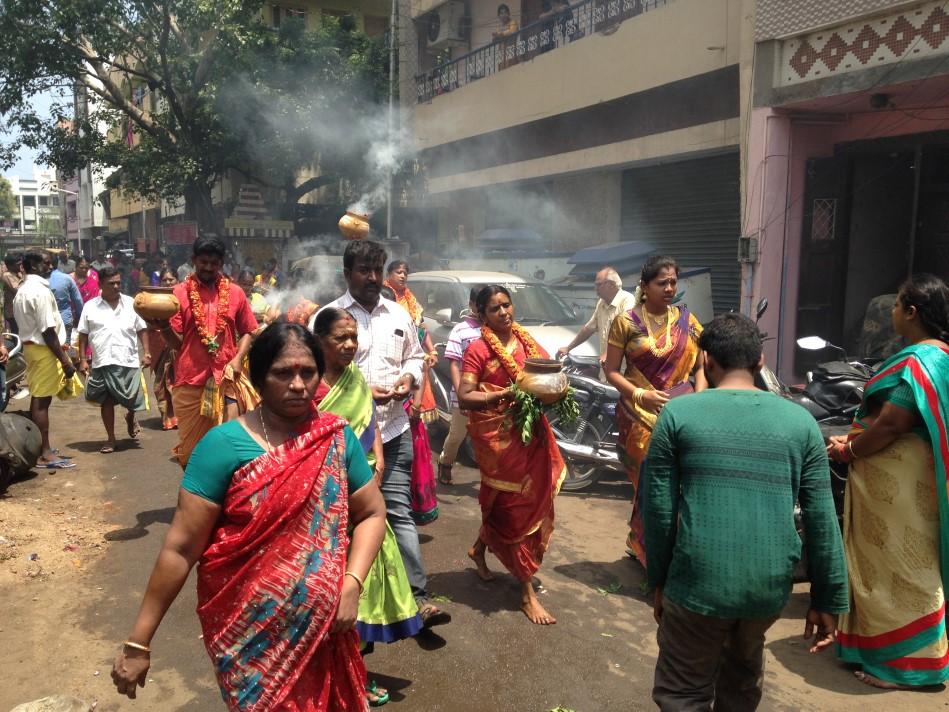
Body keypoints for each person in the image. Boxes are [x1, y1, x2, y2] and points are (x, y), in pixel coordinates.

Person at [110, 322, 387, 710]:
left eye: (307, 372)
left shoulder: (335, 439)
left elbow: (373, 513)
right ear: (257, 379)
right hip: (248, 640)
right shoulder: (222, 446)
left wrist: (352, 583)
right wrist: (139, 642)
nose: (298, 385)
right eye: (282, 373)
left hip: (324, 631)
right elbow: (180, 548)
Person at [643, 312, 849, 711]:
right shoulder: (801, 423)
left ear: (706, 362)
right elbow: (821, 519)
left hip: (696, 583)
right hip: (767, 588)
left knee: (683, 693)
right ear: (759, 362)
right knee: (742, 677)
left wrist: (660, 580)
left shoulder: (677, 414)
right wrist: (828, 598)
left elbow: (660, 511)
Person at [828, 274, 949, 690]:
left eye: (897, 306)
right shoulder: (942, 357)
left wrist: (849, 450)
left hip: (899, 481)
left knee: (904, 563)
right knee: (907, 560)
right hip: (918, 479)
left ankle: (912, 665)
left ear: (912, 313)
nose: (893, 313)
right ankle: (890, 649)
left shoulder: (919, 361)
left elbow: (895, 422)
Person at [322, 240, 449, 628]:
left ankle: (417, 599)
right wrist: (362, 388)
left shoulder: (398, 312)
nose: (374, 277)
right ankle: (338, 602)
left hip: (393, 429)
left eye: (377, 269)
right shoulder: (328, 317)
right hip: (342, 441)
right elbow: (314, 366)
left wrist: (409, 376)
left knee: (397, 512)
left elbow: (414, 353)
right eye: (364, 269)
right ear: (347, 274)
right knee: (338, 520)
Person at [313, 308, 423, 708]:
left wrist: (376, 466)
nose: (348, 345)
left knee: (364, 582)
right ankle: (335, 676)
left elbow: (371, 425)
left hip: (362, 491)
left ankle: (355, 671)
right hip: (326, 498)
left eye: (352, 337)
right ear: (320, 339)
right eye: (340, 338)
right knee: (330, 584)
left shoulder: (355, 377)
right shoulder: (310, 385)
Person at [457, 285, 566, 625]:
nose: (503, 312)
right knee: (511, 509)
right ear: (481, 314)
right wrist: (505, 394)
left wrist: (557, 389)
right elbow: (465, 396)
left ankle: (479, 549)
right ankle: (526, 593)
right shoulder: (477, 349)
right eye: (494, 308)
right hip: (497, 445)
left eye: (506, 305)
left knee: (524, 504)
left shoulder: (529, 344)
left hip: (531, 438)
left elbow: (550, 376)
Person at [603, 255, 706, 565]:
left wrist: (698, 398)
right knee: (649, 484)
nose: (670, 288)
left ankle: (649, 546)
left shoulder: (688, 320)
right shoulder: (626, 322)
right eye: (662, 283)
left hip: (681, 414)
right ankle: (651, 553)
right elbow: (611, 370)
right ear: (644, 287)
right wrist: (639, 394)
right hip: (638, 416)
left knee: (678, 485)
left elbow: (700, 367)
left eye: (673, 282)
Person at [148, 235, 259, 467]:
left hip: (227, 378)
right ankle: (197, 498)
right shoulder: (178, 294)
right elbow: (177, 344)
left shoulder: (236, 293)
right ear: (194, 260)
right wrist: (164, 327)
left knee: (231, 448)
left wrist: (239, 358)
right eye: (203, 262)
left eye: (214, 263)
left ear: (221, 263)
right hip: (190, 381)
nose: (209, 268)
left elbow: (248, 330)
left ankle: (226, 500)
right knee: (191, 453)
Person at [13, 251, 82, 469]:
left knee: (39, 398)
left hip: (32, 349)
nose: (50, 266)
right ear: (32, 266)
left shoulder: (23, 289)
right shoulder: (39, 292)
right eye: (46, 263)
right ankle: (44, 452)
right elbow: (47, 331)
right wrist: (65, 361)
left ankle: (42, 447)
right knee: (42, 401)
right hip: (44, 351)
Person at [77, 266, 150, 454]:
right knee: (106, 400)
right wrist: (83, 359)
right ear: (100, 284)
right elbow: (83, 335)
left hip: (128, 358)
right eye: (112, 283)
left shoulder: (131, 303)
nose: (117, 286)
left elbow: (142, 329)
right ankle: (111, 438)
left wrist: (147, 353)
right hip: (103, 360)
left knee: (131, 398)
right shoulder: (90, 306)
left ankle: (130, 415)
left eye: (118, 282)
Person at [436, 287, 483, 486]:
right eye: (479, 304)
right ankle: (445, 462)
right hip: (464, 393)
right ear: (471, 304)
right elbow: (454, 362)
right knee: (457, 434)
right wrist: (461, 394)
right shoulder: (461, 330)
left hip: (490, 393)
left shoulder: (496, 328)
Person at [557, 266, 638, 369]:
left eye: (599, 285)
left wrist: (609, 353)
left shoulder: (628, 301)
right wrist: (568, 348)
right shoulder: (602, 303)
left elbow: (626, 331)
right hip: (606, 369)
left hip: (625, 370)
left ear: (612, 285)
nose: (595, 288)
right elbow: (588, 328)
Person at [148, 269, 179, 431]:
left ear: (177, 281)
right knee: (161, 385)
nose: (168, 283)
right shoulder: (155, 301)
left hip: (179, 350)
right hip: (161, 349)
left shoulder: (185, 300)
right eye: (165, 280)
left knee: (176, 384)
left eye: (171, 279)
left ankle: (180, 417)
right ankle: (167, 417)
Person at [48, 254, 84, 351]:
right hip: (65, 320)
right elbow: (78, 300)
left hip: (46, 323)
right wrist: (80, 318)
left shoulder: (38, 281)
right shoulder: (67, 278)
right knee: (65, 349)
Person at [2, 252, 23, 333]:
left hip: (20, 311)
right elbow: (18, 290)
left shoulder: (19, 274)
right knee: (17, 334)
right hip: (13, 312)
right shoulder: (7, 275)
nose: (21, 266)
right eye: (19, 264)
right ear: (10, 266)